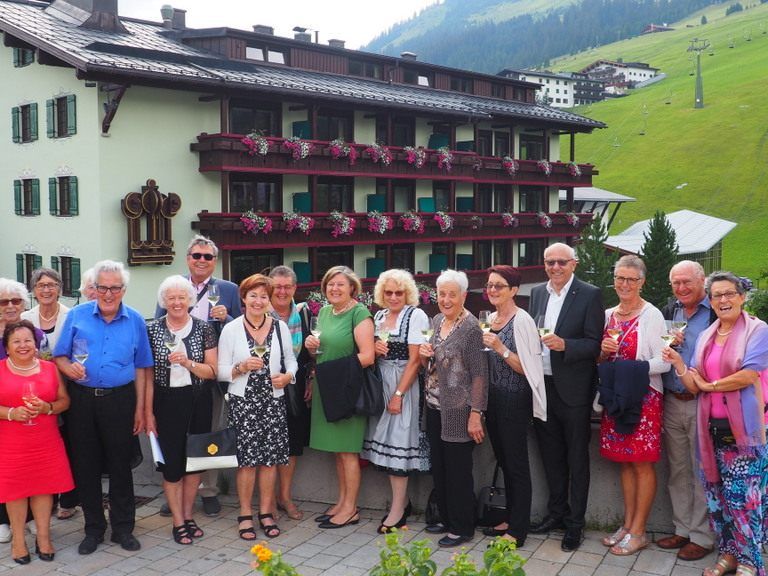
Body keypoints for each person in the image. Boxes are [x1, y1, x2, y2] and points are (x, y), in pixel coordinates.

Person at [663, 271, 768, 576]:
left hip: (745, 431)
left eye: (729, 294)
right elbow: (694, 383)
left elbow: (748, 375)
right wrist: (679, 364)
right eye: (717, 295)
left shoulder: (757, 330)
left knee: (744, 499)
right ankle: (728, 555)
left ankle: (750, 562)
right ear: (711, 300)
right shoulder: (709, 335)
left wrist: (711, 385)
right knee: (718, 497)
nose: (723, 300)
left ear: (741, 297)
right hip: (712, 430)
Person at [53, 260, 153, 555]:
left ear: (123, 289)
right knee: (87, 466)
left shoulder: (135, 319)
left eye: (115, 288)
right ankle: (93, 529)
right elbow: (59, 356)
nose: (108, 294)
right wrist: (69, 369)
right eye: (102, 287)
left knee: (121, 466)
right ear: (93, 289)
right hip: (82, 401)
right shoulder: (78, 316)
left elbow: (144, 367)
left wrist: (141, 410)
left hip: (121, 400)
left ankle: (123, 528)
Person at [156, 235, 241, 518]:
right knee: (176, 436)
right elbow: (159, 325)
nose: (201, 261)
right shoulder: (173, 287)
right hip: (175, 377)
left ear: (215, 261)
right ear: (187, 258)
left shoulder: (228, 289)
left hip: (214, 371)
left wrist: (226, 318)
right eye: (196, 256)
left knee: (208, 432)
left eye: (207, 257)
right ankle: (175, 491)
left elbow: (240, 328)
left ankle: (208, 491)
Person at [528, 242, 604, 552]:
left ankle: (575, 524)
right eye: (550, 262)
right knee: (551, 456)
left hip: (573, 390)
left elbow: (594, 344)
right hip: (542, 386)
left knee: (576, 458)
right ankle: (555, 515)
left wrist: (565, 346)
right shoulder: (537, 293)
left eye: (561, 262)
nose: (555, 267)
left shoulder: (589, 294)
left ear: (573, 264)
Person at [597, 255, 669, 555]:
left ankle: (639, 531)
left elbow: (664, 362)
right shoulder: (607, 315)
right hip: (615, 398)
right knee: (624, 462)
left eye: (631, 279)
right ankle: (627, 525)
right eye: (620, 278)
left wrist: (630, 370)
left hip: (643, 399)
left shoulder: (651, 315)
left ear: (642, 282)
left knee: (642, 463)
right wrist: (602, 353)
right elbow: (599, 362)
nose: (624, 284)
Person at [218, 274, 297, 540]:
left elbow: (291, 361)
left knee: (270, 461)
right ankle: (244, 513)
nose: (258, 301)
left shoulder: (280, 327)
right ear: (244, 298)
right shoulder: (232, 328)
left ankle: (265, 512)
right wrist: (240, 368)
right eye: (253, 295)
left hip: (272, 401)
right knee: (247, 463)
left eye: (264, 296)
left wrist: (287, 377)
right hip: (243, 402)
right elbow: (220, 371)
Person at [145, 276, 218, 545]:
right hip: (166, 401)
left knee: (194, 461)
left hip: (198, 399)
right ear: (164, 302)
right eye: (171, 298)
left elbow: (212, 371)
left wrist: (188, 363)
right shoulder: (151, 330)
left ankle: (188, 516)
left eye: (181, 297)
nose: (176, 302)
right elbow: (148, 375)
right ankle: (177, 521)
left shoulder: (204, 329)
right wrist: (148, 413)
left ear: (189, 300)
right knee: (172, 464)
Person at [418, 269, 487, 548]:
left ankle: (463, 527)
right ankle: (447, 520)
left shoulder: (470, 328)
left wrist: (475, 414)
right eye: (441, 294)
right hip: (435, 406)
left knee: (458, 471)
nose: (445, 300)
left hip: (459, 409)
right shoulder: (436, 320)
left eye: (451, 294)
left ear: (464, 296)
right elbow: (435, 363)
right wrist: (425, 358)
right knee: (441, 468)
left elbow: (480, 375)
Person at [480, 265, 546, 547]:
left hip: (514, 399)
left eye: (499, 286)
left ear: (514, 291)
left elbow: (529, 368)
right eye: (490, 285)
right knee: (504, 462)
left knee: (517, 465)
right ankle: (509, 517)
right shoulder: (491, 318)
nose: (492, 290)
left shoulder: (522, 321)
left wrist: (500, 349)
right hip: (493, 399)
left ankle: (518, 530)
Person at [305, 266, 375, 529]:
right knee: (337, 451)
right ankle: (342, 500)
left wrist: (330, 372)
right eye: (330, 284)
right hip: (326, 388)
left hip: (347, 389)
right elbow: (322, 353)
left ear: (352, 289)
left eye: (340, 285)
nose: (334, 289)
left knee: (347, 451)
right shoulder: (323, 312)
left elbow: (368, 356)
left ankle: (351, 509)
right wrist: (313, 350)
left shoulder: (360, 314)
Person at [361, 269, 430, 533]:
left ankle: (398, 509)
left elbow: (415, 362)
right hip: (382, 383)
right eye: (388, 292)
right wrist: (376, 350)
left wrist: (399, 395)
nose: (393, 297)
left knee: (400, 444)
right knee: (388, 447)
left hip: (404, 384)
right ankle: (404, 503)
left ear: (407, 293)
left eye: (398, 292)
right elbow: (371, 354)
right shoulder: (379, 316)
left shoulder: (416, 315)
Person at [656, 261, 716, 560]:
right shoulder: (671, 311)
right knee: (677, 470)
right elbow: (658, 352)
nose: (681, 288)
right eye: (676, 283)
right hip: (671, 399)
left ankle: (702, 536)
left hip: (702, 401)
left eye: (686, 282)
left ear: (701, 281)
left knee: (701, 471)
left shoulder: (715, 311)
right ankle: (682, 529)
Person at [0, 320, 73, 564]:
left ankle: (44, 537)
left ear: (36, 343)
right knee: (16, 492)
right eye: (16, 341)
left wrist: (47, 407)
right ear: (7, 347)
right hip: (11, 443)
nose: (23, 345)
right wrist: (11, 413)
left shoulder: (50, 368)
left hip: (45, 440)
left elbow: (65, 401)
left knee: (44, 488)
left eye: (28, 340)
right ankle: (19, 540)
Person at [21, 268, 79, 521]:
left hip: (66, 390)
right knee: (42, 447)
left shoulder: (72, 316)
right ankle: (46, 499)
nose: (46, 290)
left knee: (69, 444)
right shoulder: (25, 318)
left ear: (60, 288)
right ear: (34, 290)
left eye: (51, 284)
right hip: (32, 391)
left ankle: (68, 498)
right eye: (41, 285)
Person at [0, 278, 46, 542]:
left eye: (15, 300)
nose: (9, 306)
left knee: (28, 466)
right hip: (3, 409)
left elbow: (44, 365)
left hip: (28, 409)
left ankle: (27, 518)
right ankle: (3, 519)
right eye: (3, 301)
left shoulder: (35, 334)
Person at [267, 266, 313, 521]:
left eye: (287, 286)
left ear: (295, 288)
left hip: (296, 387)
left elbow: (311, 353)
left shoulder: (304, 314)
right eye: (278, 287)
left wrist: (312, 377)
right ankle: (268, 500)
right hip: (266, 387)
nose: (282, 291)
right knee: (270, 445)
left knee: (292, 446)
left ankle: (285, 497)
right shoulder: (259, 313)